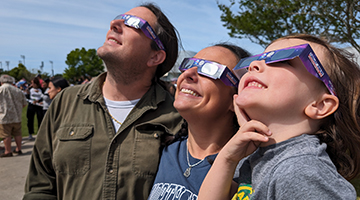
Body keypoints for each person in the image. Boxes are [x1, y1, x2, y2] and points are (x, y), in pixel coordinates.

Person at [24, 3, 182, 200]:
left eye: (133, 23)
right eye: (119, 18)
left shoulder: (177, 116)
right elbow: (40, 186)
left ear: (155, 56)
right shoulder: (66, 101)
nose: (114, 24)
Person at [197, 34, 360, 200]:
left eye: (282, 60)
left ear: (320, 105)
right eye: (259, 58)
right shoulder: (256, 156)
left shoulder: (302, 171)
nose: (254, 64)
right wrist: (227, 158)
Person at [148, 43, 250, 199]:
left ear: (235, 98)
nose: (188, 74)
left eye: (209, 69)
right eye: (189, 65)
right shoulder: (162, 149)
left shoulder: (246, 170)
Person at [0, 75, 27, 157]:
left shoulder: (1, 89)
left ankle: (8, 151)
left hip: (4, 116)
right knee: (17, 133)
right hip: (17, 116)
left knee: (6, 134)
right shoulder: (18, 90)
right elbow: (24, 104)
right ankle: (18, 149)